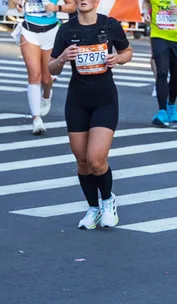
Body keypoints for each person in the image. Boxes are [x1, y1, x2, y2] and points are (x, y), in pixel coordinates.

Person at [48, 0, 131, 229]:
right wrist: (62, 58)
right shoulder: (66, 30)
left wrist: (118, 59)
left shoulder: (109, 25)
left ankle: (108, 200)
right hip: (77, 100)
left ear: (96, 2)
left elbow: (127, 52)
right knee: (82, 161)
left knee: (96, 159)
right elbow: (51, 67)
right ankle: (92, 208)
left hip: (105, 99)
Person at [15, 0, 75, 134]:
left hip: (51, 32)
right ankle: (36, 119)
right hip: (29, 30)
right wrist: (18, 3)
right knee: (34, 75)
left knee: (47, 79)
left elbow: (73, 6)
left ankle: (46, 96)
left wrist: (57, 7)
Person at [142, 0, 177, 127]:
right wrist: (145, 12)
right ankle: (162, 111)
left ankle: (171, 105)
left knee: (176, 74)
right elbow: (145, 2)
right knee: (161, 72)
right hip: (158, 36)